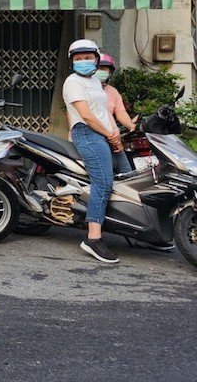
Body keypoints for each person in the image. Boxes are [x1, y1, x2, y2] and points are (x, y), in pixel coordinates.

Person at [62, 39, 121, 264]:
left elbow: (103, 111)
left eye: (88, 58)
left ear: (96, 59)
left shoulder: (96, 82)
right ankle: (93, 238)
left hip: (103, 132)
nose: (83, 62)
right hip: (87, 134)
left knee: (125, 174)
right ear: (72, 62)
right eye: (78, 59)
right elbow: (86, 115)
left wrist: (114, 133)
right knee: (103, 182)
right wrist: (108, 134)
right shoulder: (72, 82)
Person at [96, 53, 134, 175]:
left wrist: (130, 125)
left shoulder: (112, 92)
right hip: (93, 138)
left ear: (110, 72)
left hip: (112, 138)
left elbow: (120, 112)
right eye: (97, 68)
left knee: (126, 173)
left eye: (103, 69)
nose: (99, 71)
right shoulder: (85, 89)